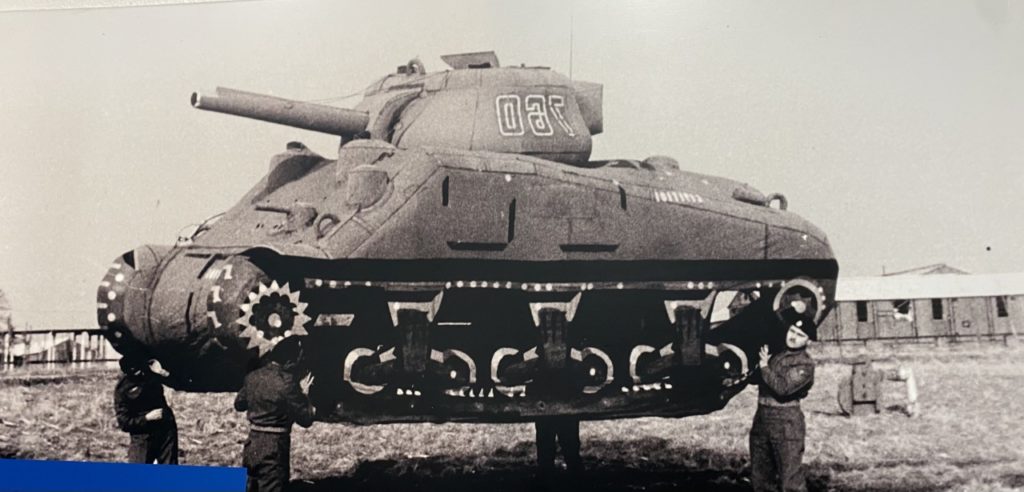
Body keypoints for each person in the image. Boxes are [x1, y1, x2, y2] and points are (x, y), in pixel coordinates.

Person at [749, 310, 817, 492]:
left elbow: (782, 387)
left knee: (790, 479)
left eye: (800, 335)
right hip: (762, 416)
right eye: (792, 331)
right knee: (760, 476)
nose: (794, 337)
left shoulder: (804, 364)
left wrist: (764, 366)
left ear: (808, 341)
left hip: (786, 420)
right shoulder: (778, 355)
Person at [235, 339, 315, 492]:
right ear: (290, 361)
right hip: (274, 447)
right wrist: (305, 395)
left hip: (252, 445)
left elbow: (239, 404)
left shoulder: (253, 376)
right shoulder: (287, 382)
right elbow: (306, 419)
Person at [113, 356, 178, 464]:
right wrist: (147, 418)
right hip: (142, 435)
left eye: (141, 369)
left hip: (165, 429)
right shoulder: (122, 389)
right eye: (136, 372)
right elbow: (124, 422)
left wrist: (163, 371)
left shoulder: (151, 371)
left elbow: (176, 381)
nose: (140, 373)